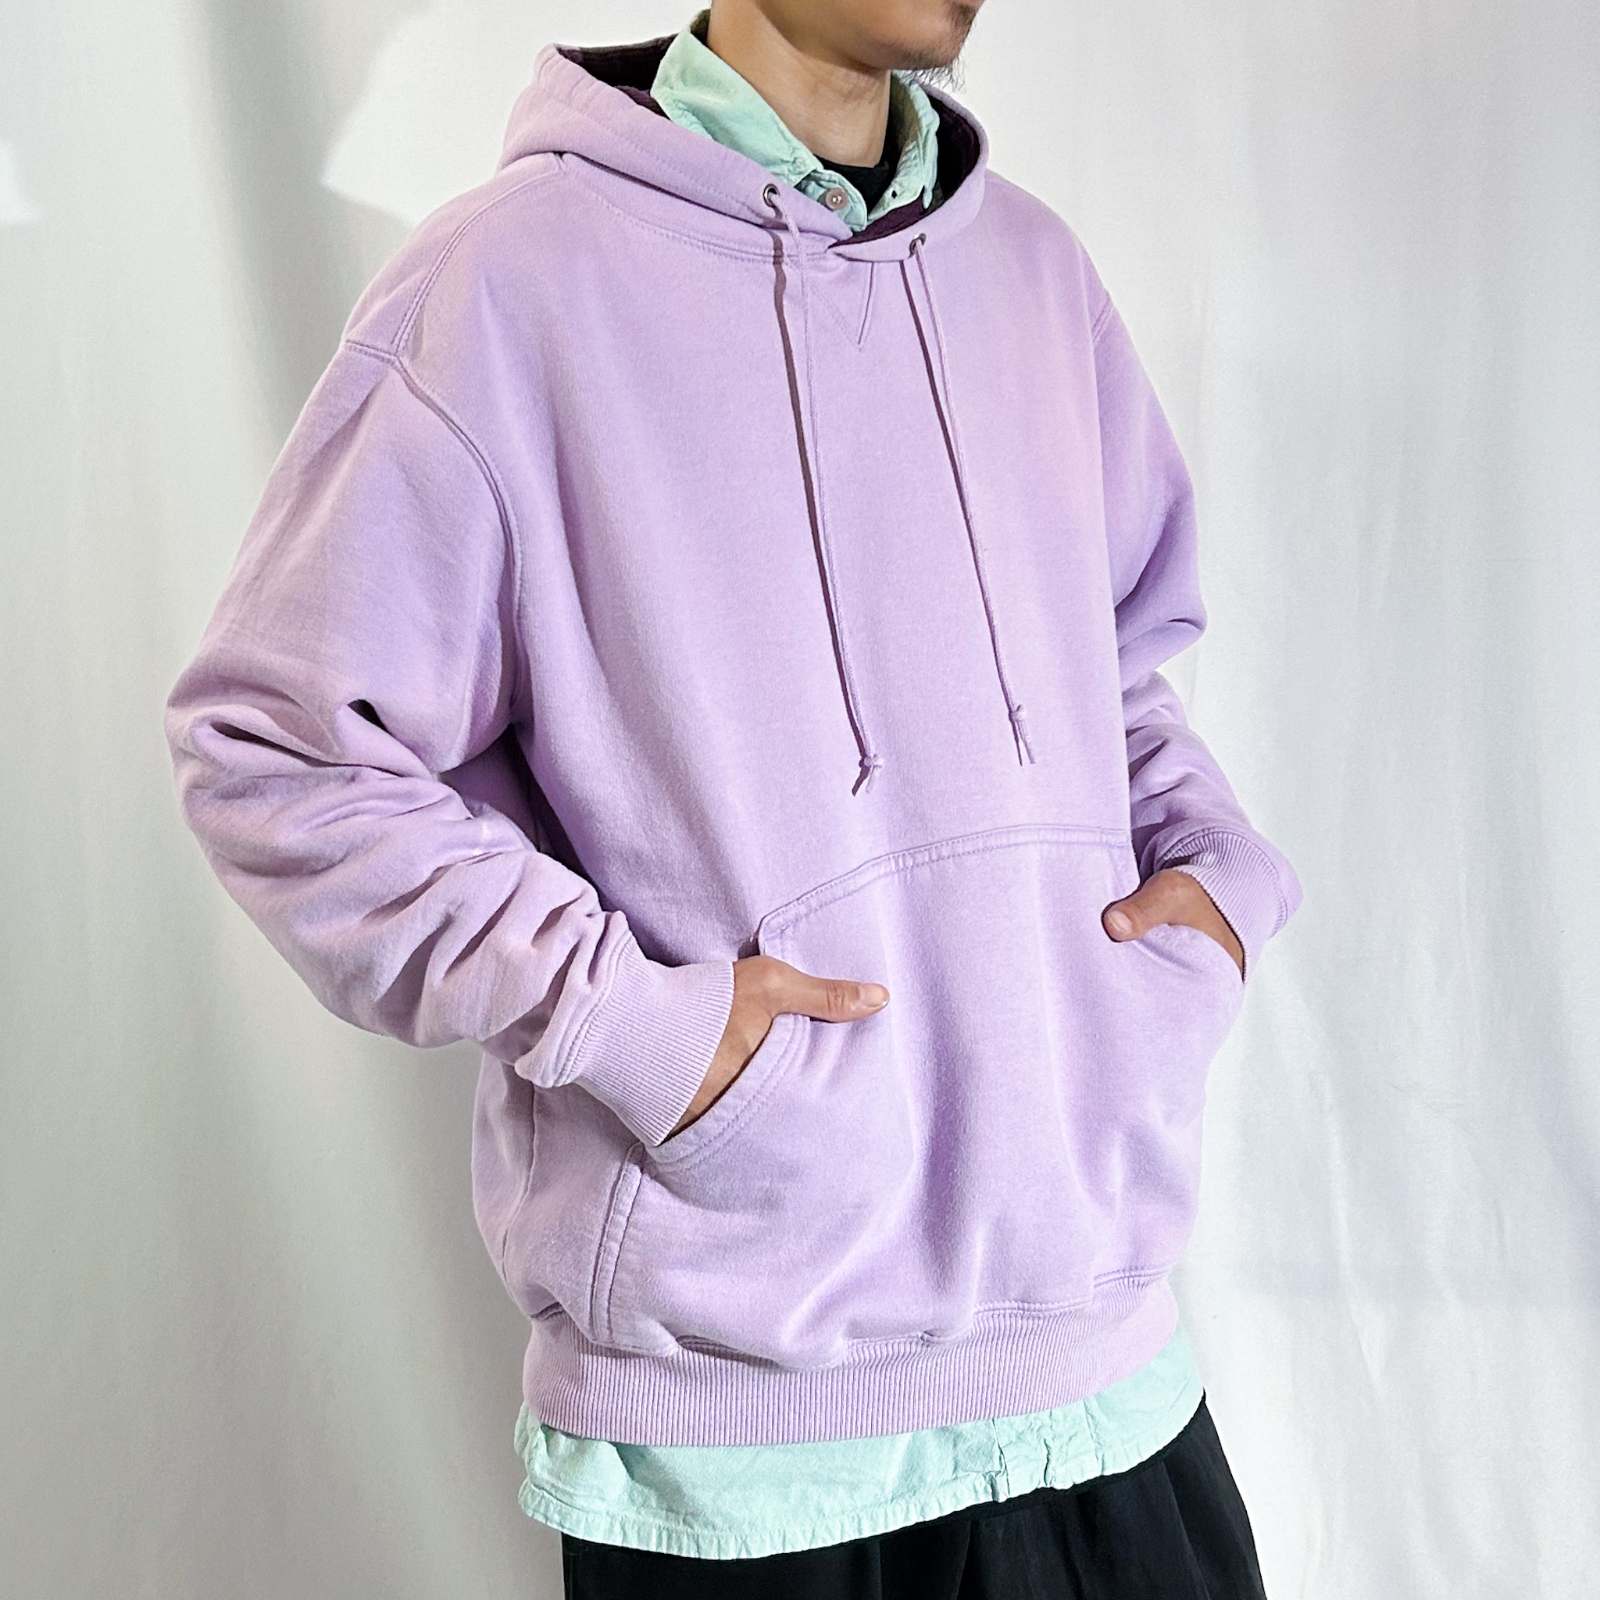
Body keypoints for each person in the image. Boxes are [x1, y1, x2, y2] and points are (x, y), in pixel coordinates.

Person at [163, 2, 1302, 1593]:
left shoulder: (1035, 275)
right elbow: (280, 749)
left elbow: (1112, 673)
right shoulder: (508, 286)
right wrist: (636, 1027)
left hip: (1105, 1383)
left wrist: (1213, 895)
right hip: (749, 1455)